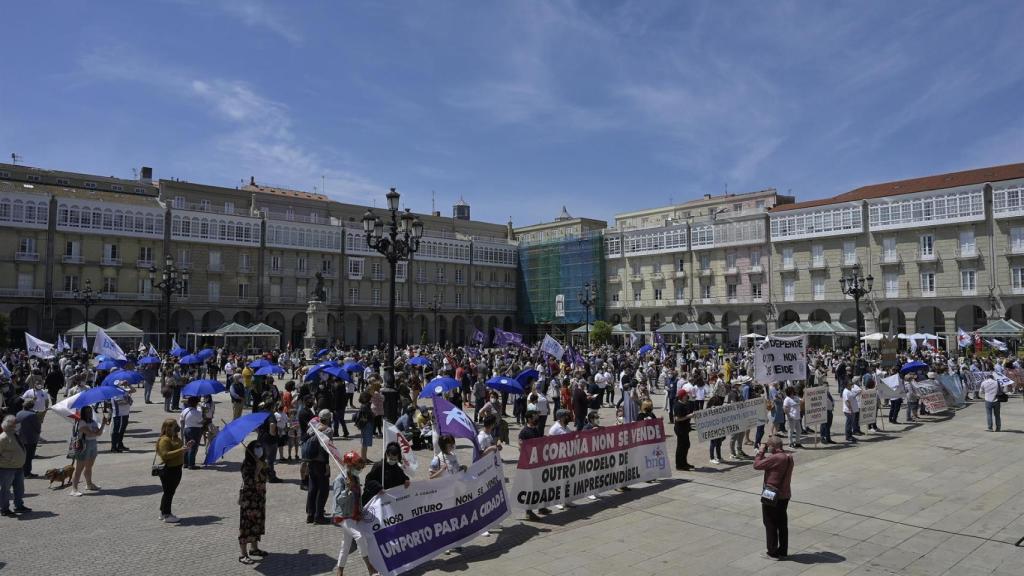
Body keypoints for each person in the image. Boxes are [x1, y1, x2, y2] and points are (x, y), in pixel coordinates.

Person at [331, 451, 377, 576]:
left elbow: (358, 497)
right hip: (343, 516)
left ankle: (339, 571)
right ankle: (369, 566)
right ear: (350, 466)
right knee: (359, 537)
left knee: (345, 545)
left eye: (361, 468)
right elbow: (338, 500)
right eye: (357, 468)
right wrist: (347, 489)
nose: (359, 470)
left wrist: (360, 511)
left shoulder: (355, 477)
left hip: (354, 514)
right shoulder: (340, 480)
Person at [754, 437, 794, 560]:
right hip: (785, 495)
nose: (768, 448)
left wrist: (761, 451)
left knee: (769, 522)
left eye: (768, 446)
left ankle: (772, 552)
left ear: (773, 446)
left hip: (771, 493)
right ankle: (783, 550)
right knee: (782, 524)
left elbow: (757, 465)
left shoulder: (775, 457)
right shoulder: (788, 457)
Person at [238, 442, 269, 565]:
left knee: (257, 523)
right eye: (256, 448)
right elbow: (249, 482)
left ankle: (254, 549)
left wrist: (262, 467)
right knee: (246, 526)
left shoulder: (262, 462)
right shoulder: (246, 465)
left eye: (260, 447)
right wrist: (257, 469)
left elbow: (265, 479)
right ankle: (243, 554)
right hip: (249, 500)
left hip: (259, 499)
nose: (259, 449)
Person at [156, 418, 193, 523]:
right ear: (167, 428)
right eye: (173, 425)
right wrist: (181, 450)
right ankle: (167, 515)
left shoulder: (175, 437)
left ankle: (163, 512)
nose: (176, 426)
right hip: (168, 470)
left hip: (176, 468)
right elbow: (165, 455)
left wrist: (186, 447)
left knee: (169, 492)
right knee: (169, 492)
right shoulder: (164, 440)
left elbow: (179, 450)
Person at [69, 405, 108, 496]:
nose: (89, 413)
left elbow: (98, 434)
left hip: (93, 444)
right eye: (87, 412)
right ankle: (74, 489)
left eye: (90, 411)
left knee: (89, 466)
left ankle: (89, 484)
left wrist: (103, 424)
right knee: (79, 468)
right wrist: (97, 431)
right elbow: (90, 434)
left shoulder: (93, 421)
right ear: (83, 413)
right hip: (83, 446)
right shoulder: (81, 422)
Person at [519, 411, 550, 519]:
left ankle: (541, 507)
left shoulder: (535, 429)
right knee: (531, 488)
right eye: (534, 417)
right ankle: (528, 512)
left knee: (540, 485)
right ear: (529, 419)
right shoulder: (524, 432)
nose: (536, 418)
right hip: (530, 465)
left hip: (539, 463)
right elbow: (521, 448)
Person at [305, 411, 333, 524]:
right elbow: (327, 448)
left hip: (311, 462)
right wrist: (327, 465)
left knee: (312, 488)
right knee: (323, 489)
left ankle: (310, 514)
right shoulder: (328, 430)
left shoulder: (312, 427)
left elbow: (306, 437)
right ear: (328, 419)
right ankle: (319, 516)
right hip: (321, 462)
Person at [0, 415, 30, 516]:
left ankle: (19, 505)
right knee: (5, 490)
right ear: (10, 425)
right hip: (7, 469)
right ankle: (4, 509)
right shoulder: (3, 437)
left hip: (18, 467)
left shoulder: (14, 434)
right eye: (16, 423)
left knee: (19, 488)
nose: (18, 424)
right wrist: (7, 460)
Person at [15, 400, 41, 478]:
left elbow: (16, 426)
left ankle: (22, 471)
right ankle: (27, 473)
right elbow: (37, 427)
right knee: (29, 457)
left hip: (20, 438)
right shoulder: (33, 415)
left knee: (23, 456)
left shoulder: (18, 413)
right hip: (31, 439)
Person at [180, 396, 204, 470]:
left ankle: (185, 463)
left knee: (187, 446)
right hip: (195, 430)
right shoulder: (198, 413)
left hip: (186, 429)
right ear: (196, 403)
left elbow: (181, 420)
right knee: (193, 447)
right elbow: (201, 421)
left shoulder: (185, 410)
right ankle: (191, 464)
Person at [673, 389, 694, 470]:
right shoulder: (678, 405)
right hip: (680, 429)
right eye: (685, 395)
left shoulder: (686, 403)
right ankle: (679, 465)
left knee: (686, 445)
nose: (687, 396)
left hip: (685, 428)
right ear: (682, 396)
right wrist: (689, 416)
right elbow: (677, 418)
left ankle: (684, 462)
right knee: (681, 447)